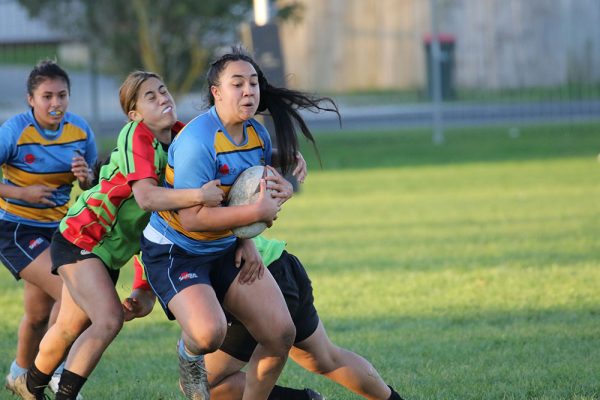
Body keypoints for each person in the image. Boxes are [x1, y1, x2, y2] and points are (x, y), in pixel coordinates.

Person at [139, 46, 339, 400]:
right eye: (237, 84)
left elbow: (243, 197)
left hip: (225, 246)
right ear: (217, 92)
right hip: (177, 250)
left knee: (280, 334)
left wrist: (279, 181)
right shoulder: (198, 142)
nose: (248, 91)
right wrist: (256, 215)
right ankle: (189, 355)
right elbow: (193, 217)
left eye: (253, 83)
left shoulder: (257, 137)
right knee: (208, 335)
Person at [12, 71, 225, 400]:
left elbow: (158, 227)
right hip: (81, 239)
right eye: (150, 97)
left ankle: (29, 385)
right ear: (134, 114)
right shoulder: (135, 135)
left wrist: (143, 288)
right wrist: (199, 194)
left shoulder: (185, 140)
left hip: (107, 255)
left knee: (69, 326)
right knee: (108, 319)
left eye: (163, 90)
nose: (162, 98)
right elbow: (147, 199)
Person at [126, 236, 405, 400]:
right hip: (282, 267)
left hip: (252, 282)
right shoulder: (153, 236)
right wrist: (136, 304)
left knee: (201, 382)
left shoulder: (167, 221)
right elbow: (146, 288)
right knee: (325, 358)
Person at [1, 60, 97, 399]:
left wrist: (85, 178)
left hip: (57, 229)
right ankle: (55, 372)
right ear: (31, 99)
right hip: (15, 229)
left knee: (39, 315)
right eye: (47, 96)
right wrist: (20, 193)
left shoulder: (81, 131)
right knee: (72, 292)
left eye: (62, 95)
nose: (55, 103)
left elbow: (92, 186)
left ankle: (19, 376)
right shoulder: (15, 131)